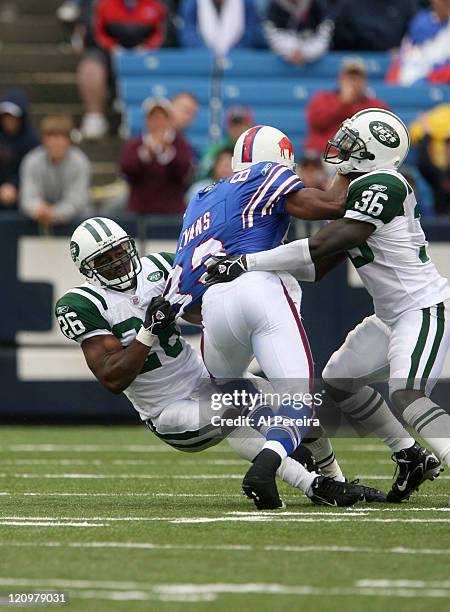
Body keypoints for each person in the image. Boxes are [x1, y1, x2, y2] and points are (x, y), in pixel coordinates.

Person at [206, 108, 449, 502]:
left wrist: (247, 262)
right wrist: (262, 273)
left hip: (423, 309)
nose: (341, 145)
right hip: (389, 317)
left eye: (354, 142)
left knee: (407, 394)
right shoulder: (358, 191)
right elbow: (318, 266)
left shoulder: (386, 182)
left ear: (375, 153)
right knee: (339, 379)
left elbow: (322, 244)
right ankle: (409, 455)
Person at [55, 217, 381, 506]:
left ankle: (336, 478)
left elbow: (203, 307)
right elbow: (113, 378)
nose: (117, 263)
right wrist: (148, 330)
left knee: (291, 399)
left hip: (203, 381)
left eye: (119, 251)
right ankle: (314, 486)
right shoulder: (83, 303)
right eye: (105, 260)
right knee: (233, 411)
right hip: (168, 410)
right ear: (88, 269)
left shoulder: (158, 267)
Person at [164, 124, 373, 510]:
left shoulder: (199, 200)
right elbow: (327, 207)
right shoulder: (265, 174)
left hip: (211, 310)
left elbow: (185, 303)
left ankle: (330, 480)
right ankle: (267, 466)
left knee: (238, 409)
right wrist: (353, 171)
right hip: (256, 288)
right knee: (298, 397)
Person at [78, 0, 167, 140]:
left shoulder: (156, 5)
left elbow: (163, 32)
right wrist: (112, 47)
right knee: (91, 66)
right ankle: (94, 117)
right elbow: (96, 32)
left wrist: (147, 48)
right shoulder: (104, 5)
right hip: (109, 54)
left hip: (146, 56)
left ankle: (143, 123)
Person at [120, 97, 194, 215]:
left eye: (162, 118)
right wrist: (145, 154)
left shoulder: (180, 144)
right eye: (153, 118)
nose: (158, 122)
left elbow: (184, 171)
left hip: (172, 212)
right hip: (140, 212)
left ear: (169, 120)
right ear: (147, 120)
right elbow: (127, 170)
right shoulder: (135, 145)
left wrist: (168, 152)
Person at [304, 56, 389, 155]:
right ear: (340, 79)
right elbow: (317, 124)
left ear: (365, 81)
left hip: (361, 157)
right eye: (349, 78)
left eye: (357, 78)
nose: (353, 82)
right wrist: (343, 102)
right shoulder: (323, 98)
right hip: (326, 154)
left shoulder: (375, 105)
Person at [19, 115, 91, 226]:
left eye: (59, 137)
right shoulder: (31, 160)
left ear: (68, 140)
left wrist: (54, 213)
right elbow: (27, 198)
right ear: (43, 139)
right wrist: (38, 209)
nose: (54, 142)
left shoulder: (80, 162)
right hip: (37, 222)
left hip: (78, 224)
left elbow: (77, 200)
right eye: (50, 137)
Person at [387, 0, 450, 85]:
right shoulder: (420, 22)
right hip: (416, 80)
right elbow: (406, 54)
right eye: (442, 1)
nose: (446, 3)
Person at [178, 0, 265, 56]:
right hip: (202, 62)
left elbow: (249, 35)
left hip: (238, 61)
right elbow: (189, 36)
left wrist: (231, 55)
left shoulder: (247, 4)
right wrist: (208, 56)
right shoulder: (192, 4)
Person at [0, 89, 39, 211]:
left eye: (13, 117)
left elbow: (33, 172)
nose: (9, 121)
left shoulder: (32, 141)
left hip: (23, 196)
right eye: (5, 116)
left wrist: (15, 186)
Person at [263, 0, 333, 66]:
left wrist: (306, 53)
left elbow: (325, 34)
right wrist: (290, 51)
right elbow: (271, 34)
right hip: (283, 62)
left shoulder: (317, 4)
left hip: (313, 61)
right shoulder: (274, 6)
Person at [331, 0, 418, 52]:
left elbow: (415, 36)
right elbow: (334, 31)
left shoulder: (406, 4)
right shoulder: (348, 3)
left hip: (392, 65)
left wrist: (401, 52)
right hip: (352, 61)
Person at [196, 105, 253, 180]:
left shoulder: (255, 149)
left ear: (249, 126)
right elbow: (201, 174)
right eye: (234, 125)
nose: (237, 129)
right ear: (228, 127)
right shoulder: (216, 150)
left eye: (242, 125)